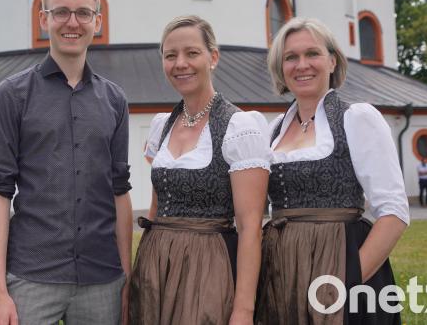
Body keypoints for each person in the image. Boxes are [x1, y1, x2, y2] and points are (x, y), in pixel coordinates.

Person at [0, 0, 132, 325]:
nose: (72, 23)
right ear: (44, 19)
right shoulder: (11, 95)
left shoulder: (115, 100)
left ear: (97, 21)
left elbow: (119, 191)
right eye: (61, 12)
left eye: (83, 13)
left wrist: (126, 279)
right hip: (32, 275)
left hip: (102, 278)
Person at [255, 18, 409, 324]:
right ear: (280, 68)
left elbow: (393, 212)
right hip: (282, 270)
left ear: (332, 61)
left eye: (312, 54)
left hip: (342, 265)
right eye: (290, 57)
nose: (302, 65)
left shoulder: (357, 118)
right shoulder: (272, 131)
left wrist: (347, 282)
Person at [129, 16, 270, 325]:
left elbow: (250, 228)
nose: (181, 63)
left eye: (192, 53)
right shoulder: (161, 126)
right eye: (170, 55)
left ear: (213, 57)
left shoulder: (238, 126)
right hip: (156, 265)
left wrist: (244, 310)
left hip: (209, 267)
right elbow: (155, 210)